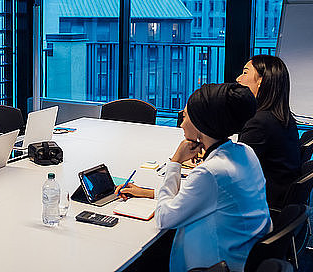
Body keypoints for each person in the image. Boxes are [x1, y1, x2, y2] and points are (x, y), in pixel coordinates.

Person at [117, 83, 271, 272]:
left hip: (215, 264)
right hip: (244, 254)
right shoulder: (244, 151)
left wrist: (176, 161)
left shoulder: (211, 172)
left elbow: (164, 219)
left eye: (186, 116)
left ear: (201, 124)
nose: (181, 122)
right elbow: (203, 196)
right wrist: (149, 193)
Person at [236, 54, 301, 209]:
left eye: (245, 72)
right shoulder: (279, 116)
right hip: (279, 194)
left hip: (261, 204)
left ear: (261, 81)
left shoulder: (260, 122)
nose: (238, 78)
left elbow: (236, 172)